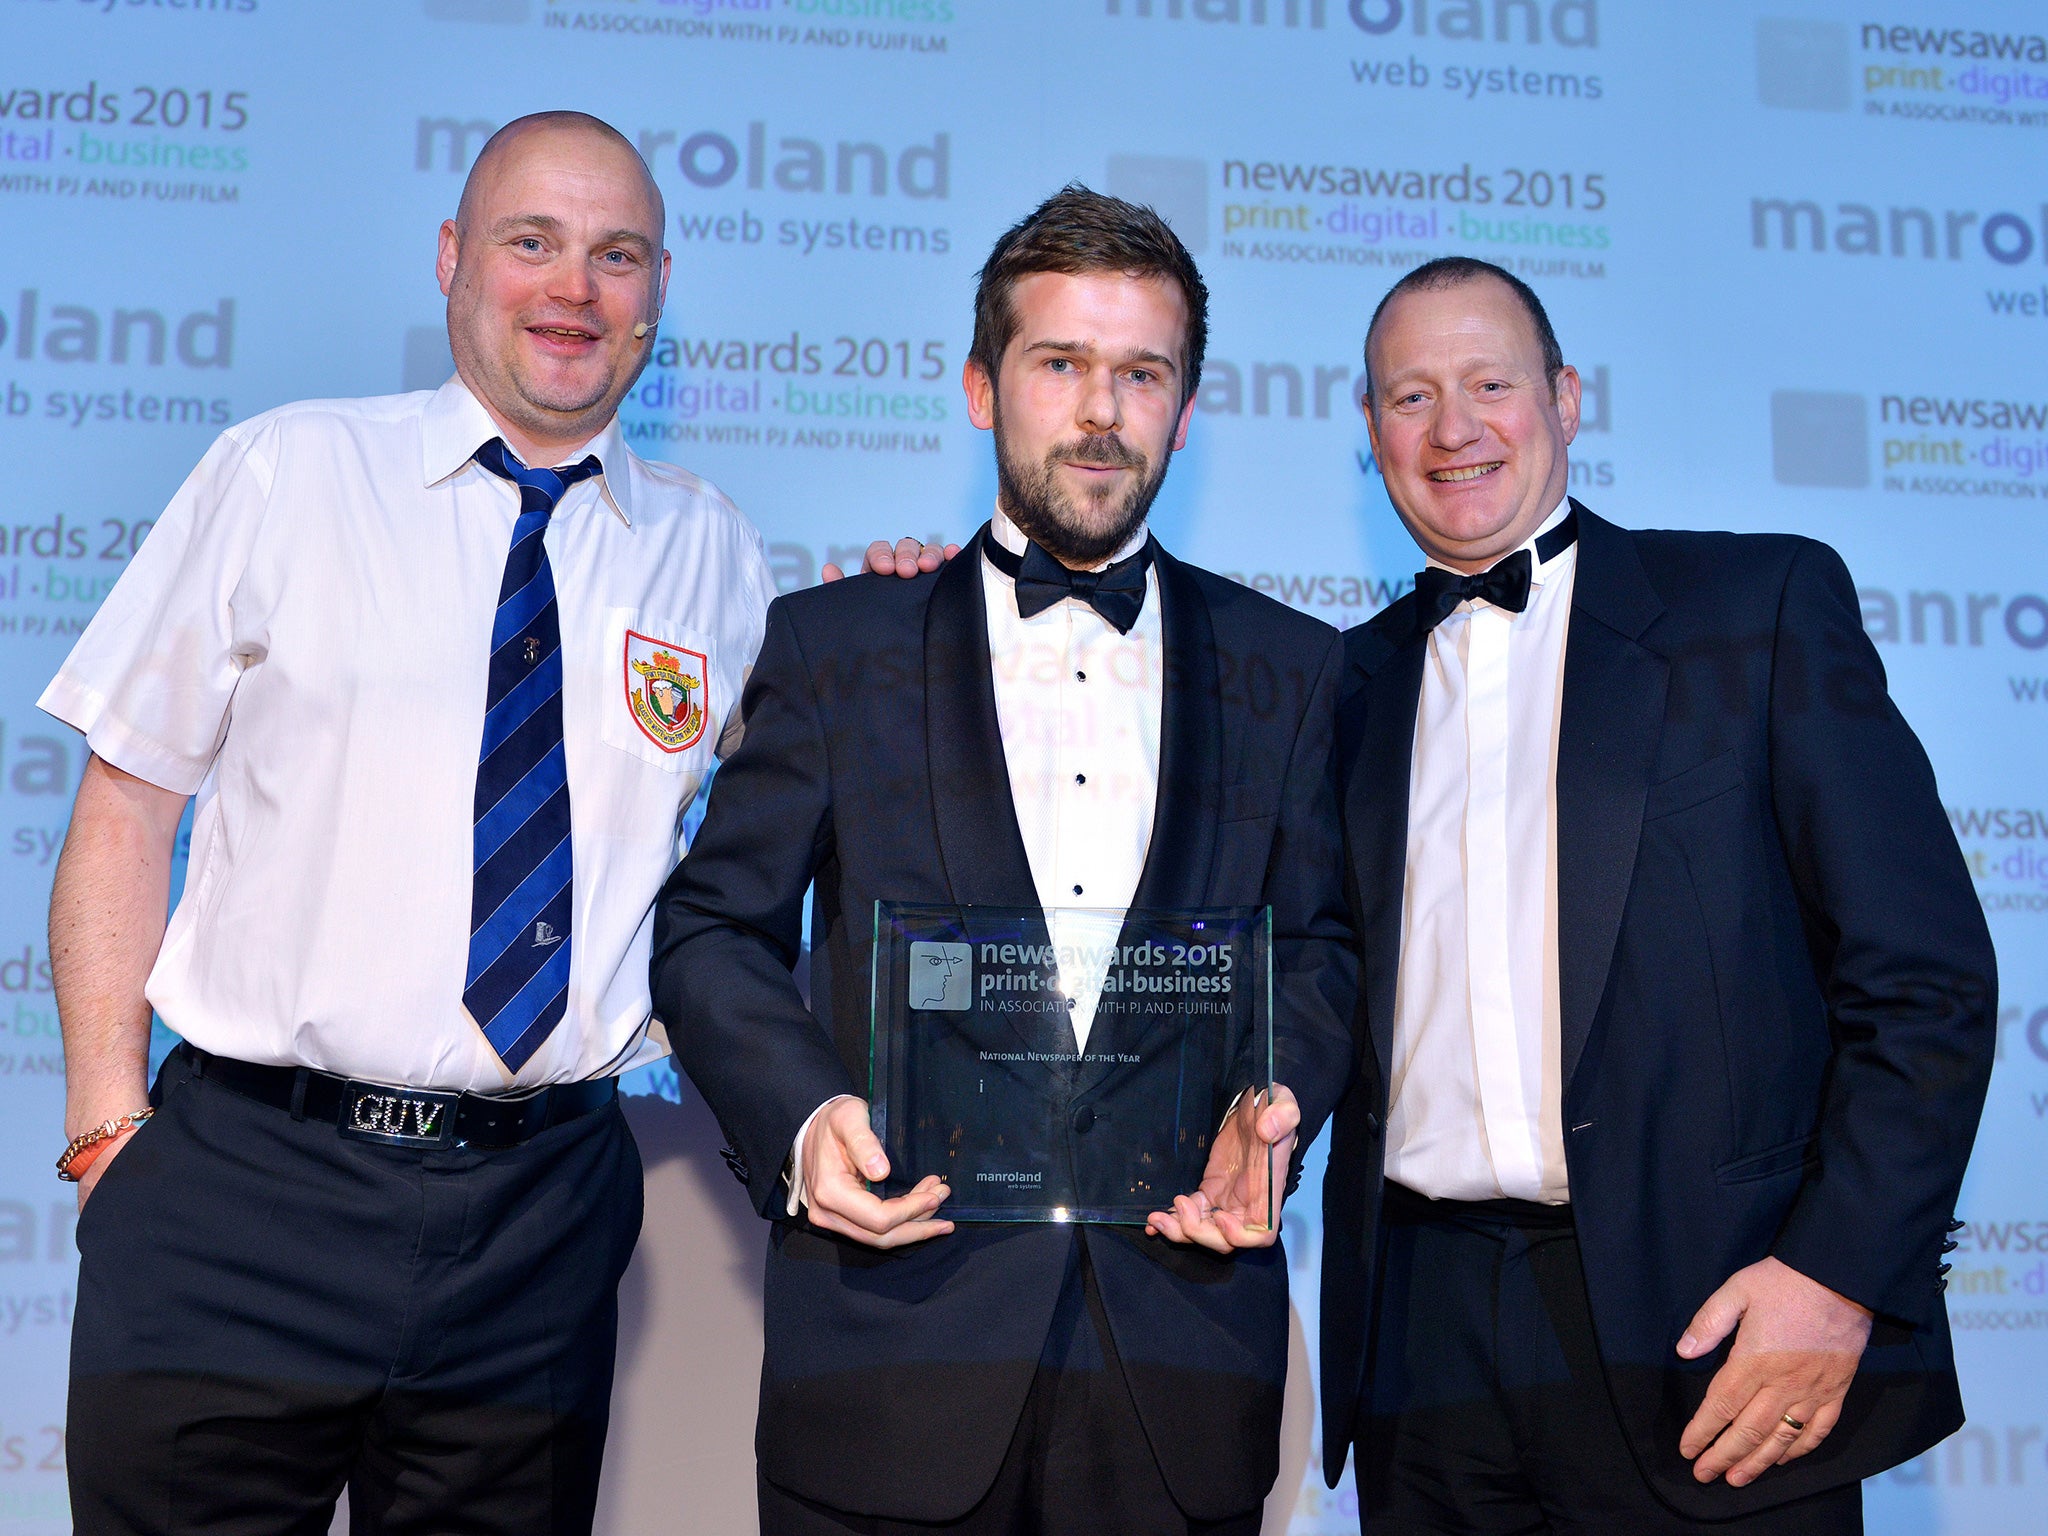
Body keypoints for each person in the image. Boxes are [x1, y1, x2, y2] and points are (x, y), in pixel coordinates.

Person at [43, 110, 934, 1536]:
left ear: (658, 295)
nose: (575, 289)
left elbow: (789, 839)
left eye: (618, 255)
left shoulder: (711, 554)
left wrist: (909, 615)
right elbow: (126, 809)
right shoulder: (286, 472)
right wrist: (105, 1131)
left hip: (540, 1224)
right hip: (239, 1200)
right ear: (455, 259)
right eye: (534, 243)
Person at [649, 186, 1358, 1535]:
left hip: (1178, 1368)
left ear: (1187, 410)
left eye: (1142, 374)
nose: (1102, 410)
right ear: (983, 388)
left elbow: (1322, 949)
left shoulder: (1296, 672)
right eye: (1061, 365)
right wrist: (803, 1128)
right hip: (888, 1359)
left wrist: (1276, 1106)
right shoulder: (835, 646)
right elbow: (709, 932)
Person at [1318, 256, 1997, 1534]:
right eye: (1409, 396)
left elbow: (1924, 984)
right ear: (1370, 433)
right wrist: (925, 605)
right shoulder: (1341, 689)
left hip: (1715, 1325)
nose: (1451, 427)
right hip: (1421, 1345)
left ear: (1566, 399)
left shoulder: (1756, 610)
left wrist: (1837, 1277)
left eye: (1488, 383)